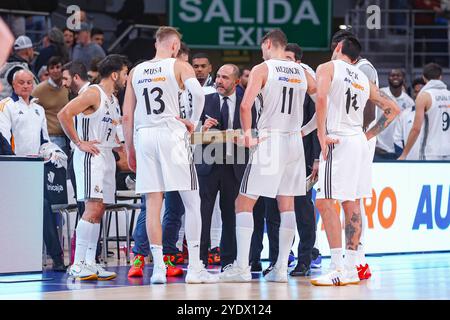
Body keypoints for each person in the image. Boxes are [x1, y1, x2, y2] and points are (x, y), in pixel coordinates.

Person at [219, 29, 317, 283]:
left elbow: (244, 104)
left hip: (270, 139)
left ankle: (241, 268)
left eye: (262, 46)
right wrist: (307, 129)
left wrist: (249, 135)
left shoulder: (264, 69)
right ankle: (281, 269)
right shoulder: (302, 71)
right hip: (294, 141)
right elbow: (323, 101)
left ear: (268, 43)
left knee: (243, 202)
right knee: (287, 205)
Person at [122, 26, 217, 284]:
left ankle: (158, 270)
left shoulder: (136, 71)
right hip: (171, 132)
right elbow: (198, 94)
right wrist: (193, 122)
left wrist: (129, 149)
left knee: (153, 203)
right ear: (175, 46)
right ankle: (196, 268)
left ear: (157, 43)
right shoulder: (178, 66)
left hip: (145, 136)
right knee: (192, 201)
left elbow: (127, 114)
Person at [310, 35, 400, 286]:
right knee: (352, 205)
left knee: (325, 202)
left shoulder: (327, 67)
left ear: (338, 48)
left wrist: (321, 133)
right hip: (358, 141)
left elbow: (321, 98)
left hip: (338, 139)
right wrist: (368, 135)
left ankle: (337, 266)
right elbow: (393, 109)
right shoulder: (362, 77)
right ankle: (351, 268)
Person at [58, 54, 130, 281]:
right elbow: (64, 114)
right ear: (116, 74)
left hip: (107, 156)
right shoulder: (93, 93)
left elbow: (116, 136)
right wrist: (79, 142)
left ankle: (90, 262)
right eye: (126, 74)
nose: (127, 79)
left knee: (99, 211)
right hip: (91, 157)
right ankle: (78, 263)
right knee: (91, 209)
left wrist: (127, 153)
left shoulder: (113, 99)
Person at [196, 64, 257, 270]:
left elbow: (254, 133)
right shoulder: (204, 100)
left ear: (236, 82)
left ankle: (229, 262)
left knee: (230, 215)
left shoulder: (247, 104)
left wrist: (245, 137)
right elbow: (192, 135)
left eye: (225, 78)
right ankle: (200, 261)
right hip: (208, 164)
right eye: (218, 76)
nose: (219, 81)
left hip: (235, 165)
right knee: (202, 214)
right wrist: (202, 128)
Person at [399, 63, 450, 161]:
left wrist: (404, 154)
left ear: (424, 78)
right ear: (440, 77)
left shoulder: (424, 96)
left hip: (431, 152)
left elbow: (416, 129)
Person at [0, 69, 49, 156]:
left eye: (29, 83)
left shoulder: (39, 109)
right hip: (14, 161)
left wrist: (49, 153)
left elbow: (44, 139)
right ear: (13, 84)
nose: (25, 86)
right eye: (21, 82)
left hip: (36, 162)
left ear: (33, 85)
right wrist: (11, 159)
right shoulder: (5, 106)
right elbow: (3, 138)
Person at [32, 56, 70, 156]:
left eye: (58, 67)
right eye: (52, 68)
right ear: (48, 71)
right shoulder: (39, 90)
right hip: (50, 137)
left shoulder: (68, 87)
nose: (55, 70)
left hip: (68, 136)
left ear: (62, 69)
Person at [374, 69, 415, 161]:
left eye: (398, 75)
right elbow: (372, 118)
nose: (395, 77)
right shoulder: (379, 95)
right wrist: (373, 142)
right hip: (380, 148)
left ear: (403, 79)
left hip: (399, 150)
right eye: (392, 75)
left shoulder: (409, 102)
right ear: (388, 78)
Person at [0, 35, 38, 99]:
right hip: (13, 108)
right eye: (32, 49)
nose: (33, 52)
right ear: (28, 51)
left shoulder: (6, 66)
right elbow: (32, 93)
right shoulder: (18, 70)